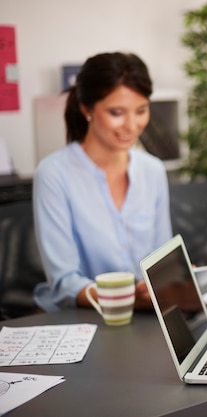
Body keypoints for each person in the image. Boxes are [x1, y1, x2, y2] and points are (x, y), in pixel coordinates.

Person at [33, 52, 174, 312]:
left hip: (147, 317)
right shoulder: (54, 174)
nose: (131, 126)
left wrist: (176, 281)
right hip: (84, 319)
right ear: (86, 108)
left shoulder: (152, 170)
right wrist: (124, 297)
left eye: (141, 110)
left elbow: (161, 262)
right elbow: (65, 284)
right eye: (116, 112)